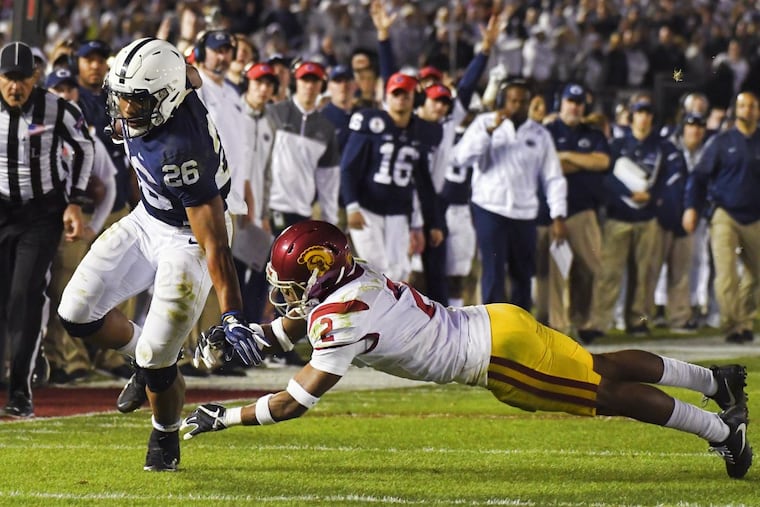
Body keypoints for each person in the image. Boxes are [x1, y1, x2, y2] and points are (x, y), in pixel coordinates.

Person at [181, 220, 752, 480]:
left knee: (608, 395)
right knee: (598, 367)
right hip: (497, 321)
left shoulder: (339, 316)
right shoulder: (357, 280)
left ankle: (723, 432)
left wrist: (223, 417)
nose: (285, 296)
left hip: (499, 359)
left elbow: (294, 401)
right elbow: (306, 321)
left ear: (318, 270)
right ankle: (714, 381)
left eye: (291, 282)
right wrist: (251, 341)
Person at [57, 38, 267, 471]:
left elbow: (214, 244)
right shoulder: (175, 82)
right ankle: (145, 359)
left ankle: (166, 433)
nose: (124, 109)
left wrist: (231, 313)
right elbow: (186, 69)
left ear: (165, 99)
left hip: (189, 234)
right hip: (148, 216)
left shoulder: (181, 151)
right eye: (121, 96)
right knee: (76, 312)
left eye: (136, 101)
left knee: (159, 358)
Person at [0, 41, 94, 417]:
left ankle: (20, 393)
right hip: (1, 208)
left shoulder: (56, 108)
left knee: (25, 296)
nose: (15, 87)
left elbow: (85, 148)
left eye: (23, 78)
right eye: (8, 78)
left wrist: (74, 200)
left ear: (35, 77)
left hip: (41, 214)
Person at [453, 79, 567, 309]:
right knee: (493, 273)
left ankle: (522, 329)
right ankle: (493, 331)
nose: (517, 106)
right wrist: (487, 132)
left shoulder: (540, 134)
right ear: (502, 102)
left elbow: (552, 176)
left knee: (523, 275)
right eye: (512, 101)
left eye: (522, 101)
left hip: (525, 213)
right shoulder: (483, 123)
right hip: (489, 208)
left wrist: (558, 215)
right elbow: (461, 158)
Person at [581, 93, 686, 341]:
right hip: (618, 217)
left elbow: (670, 179)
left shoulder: (662, 148)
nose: (644, 118)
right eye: (640, 112)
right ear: (631, 117)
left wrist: (653, 197)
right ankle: (599, 322)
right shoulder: (616, 146)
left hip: (648, 219)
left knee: (645, 275)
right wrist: (628, 193)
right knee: (608, 273)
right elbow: (605, 178)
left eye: (648, 113)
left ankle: (638, 321)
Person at [341, 72, 445, 283]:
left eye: (406, 94)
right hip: (367, 210)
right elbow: (348, 168)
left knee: (399, 273)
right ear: (387, 97)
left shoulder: (420, 130)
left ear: (414, 98)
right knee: (375, 270)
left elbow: (424, 182)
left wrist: (433, 222)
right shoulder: (372, 123)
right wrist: (352, 206)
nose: (401, 99)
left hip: (399, 211)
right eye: (396, 94)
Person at [683, 91, 760, 343]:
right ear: (735, 110)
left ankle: (745, 319)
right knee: (726, 272)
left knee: (755, 274)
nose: (747, 110)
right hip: (724, 213)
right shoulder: (720, 141)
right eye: (742, 105)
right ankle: (733, 326)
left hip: (755, 215)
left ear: (757, 111)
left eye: (751, 106)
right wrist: (691, 207)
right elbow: (698, 176)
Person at [537, 83, 609, 335]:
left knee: (592, 268)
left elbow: (602, 162)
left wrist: (566, 155)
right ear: (561, 102)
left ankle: (584, 321)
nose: (575, 107)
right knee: (552, 273)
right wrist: (582, 162)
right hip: (548, 213)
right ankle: (556, 326)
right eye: (571, 101)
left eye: (579, 103)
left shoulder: (593, 132)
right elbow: (548, 168)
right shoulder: (545, 131)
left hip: (583, 211)